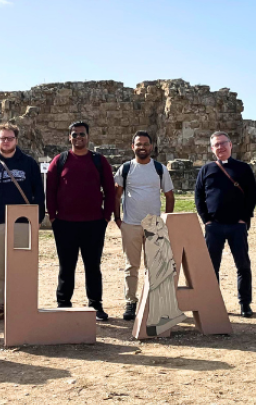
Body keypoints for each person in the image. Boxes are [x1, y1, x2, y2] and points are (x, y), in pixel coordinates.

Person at [0, 122, 45, 323]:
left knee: (22, 267)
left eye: (10, 138)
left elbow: (38, 194)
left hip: (22, 224)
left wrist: (37, 220)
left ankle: (23, 305)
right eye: (2, 138)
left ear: (16, 140)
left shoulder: (29, 164)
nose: (6, 142)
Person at [46, 121, 116, 321]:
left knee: (92, 266)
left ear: (88, 137)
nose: (79, 138)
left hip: (94, 223)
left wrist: (106, 216)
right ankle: (63, 304)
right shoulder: (60, 160)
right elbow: (50, 189)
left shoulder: (98, 161)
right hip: (65, 223)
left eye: (82, 134)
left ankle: (95, 304)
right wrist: (53, 216)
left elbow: (110, 190)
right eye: (75, 135)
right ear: (69, 138)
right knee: (66, 266)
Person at [194, 131, 256, 318]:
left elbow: (252, 195)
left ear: (231, 145)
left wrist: (244, 218)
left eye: (223, 143)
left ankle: (245, 304)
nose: (220, 147)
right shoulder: (206, 170)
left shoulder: (243, 168)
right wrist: (206, 219)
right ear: (212, 148)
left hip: (237, 226)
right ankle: (213, 304)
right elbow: (199, 196)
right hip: (214, 226)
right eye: (216, 145)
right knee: (212, 267)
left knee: (243, 265)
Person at [114, 131, 175, 321]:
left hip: (154, 225)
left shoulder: (159, 169)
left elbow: (169, 195)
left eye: (146, 144)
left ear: (151, 147)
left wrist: (166, 219)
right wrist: (117, 219)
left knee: (155, 266)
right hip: (131, 224)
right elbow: (117, 195)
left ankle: (154, 302)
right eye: (138, 144)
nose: (142, 147)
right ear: (132, 147)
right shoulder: (125, 169)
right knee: (131, 266)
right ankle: (131, 301)